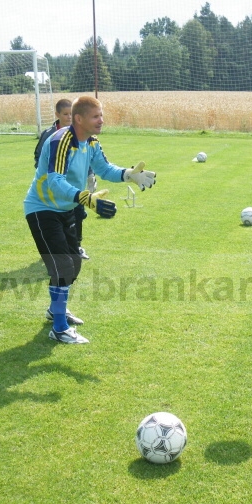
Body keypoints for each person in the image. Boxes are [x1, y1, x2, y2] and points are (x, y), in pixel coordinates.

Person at [24, 95, 156, 344]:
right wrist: (86, 198)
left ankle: (56, 311)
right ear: (79, 119)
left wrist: (130, 175)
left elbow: (105, 169)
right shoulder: (61, 140)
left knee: (74, 264)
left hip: (68, 207)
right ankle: (59, 328)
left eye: (101, 115)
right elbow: (55, 180)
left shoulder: (92, 142)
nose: (101, 120)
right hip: (42, 208)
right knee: (62, 266)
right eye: (96, 116)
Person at [34, 98, 96, 261]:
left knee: (78, 214)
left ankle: (77, 246)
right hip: (55, 187)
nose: (69, 117)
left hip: (75, 186)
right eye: (65, 114)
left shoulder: (82, 133)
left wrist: (90, 174)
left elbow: (87, 155)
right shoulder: (48, 134)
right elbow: (38, 156)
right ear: (57, 114)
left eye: (72, 114)